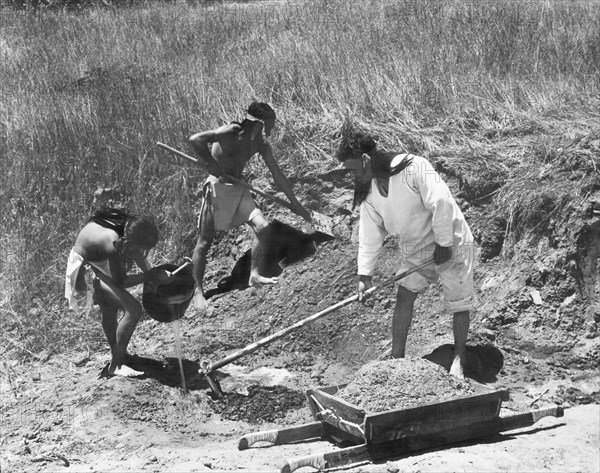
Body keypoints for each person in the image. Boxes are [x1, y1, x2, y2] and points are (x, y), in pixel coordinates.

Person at [337, 128, 476, 378]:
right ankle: (396, 359)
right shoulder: (369, 192)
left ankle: (459, 357)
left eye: (353, 169)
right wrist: (364, 276)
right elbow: (370, 233)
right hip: (417, 246)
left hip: (451, 238)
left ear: (366, 160)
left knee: (458, 300)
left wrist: (444, 244)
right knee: (404, 295)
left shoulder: (415, 167)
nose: (353, 176)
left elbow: (441, 202)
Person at [188, 102, 311, 310]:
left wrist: (295, 204)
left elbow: (277, 174)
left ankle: (254, 275)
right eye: (269, 126)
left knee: (263, 227)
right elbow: (195, 140)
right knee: (204, 242)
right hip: (217, 187)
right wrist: (211, 162)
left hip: (239, 188)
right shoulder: (230, 131)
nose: (270, 131)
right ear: (258, 124)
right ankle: (198, 291)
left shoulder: (260, 144)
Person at [65, 208, 168, 377]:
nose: (142, 254)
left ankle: (119, 354)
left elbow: (138, 257)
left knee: (110, 308)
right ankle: (117, 365)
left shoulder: (128, 226)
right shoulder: (113, 243)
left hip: (93, 262)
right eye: (141, 249)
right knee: (133, 309)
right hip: (84, 272)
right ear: (131, 243)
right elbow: (121, 281)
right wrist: (149, 276)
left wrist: (152, 275)